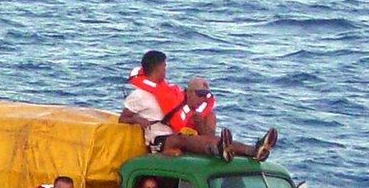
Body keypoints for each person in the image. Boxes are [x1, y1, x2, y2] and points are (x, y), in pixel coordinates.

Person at [119, 50, 277, 162]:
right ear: (158, 67)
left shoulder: (167, 91)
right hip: (158, 141)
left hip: (175, 134)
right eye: (164, 66)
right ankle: (219, 149)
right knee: (183, 140)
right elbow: (123, 118)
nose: (165, 69)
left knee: (204, 138)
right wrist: (138, 120)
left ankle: (253, 150)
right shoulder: (139, 95)